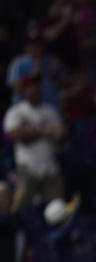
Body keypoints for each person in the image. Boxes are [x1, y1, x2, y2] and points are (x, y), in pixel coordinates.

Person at [3, 74, 65, 210]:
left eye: (37, 86)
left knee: (56, 207)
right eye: (31, 87)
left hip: (50, 166)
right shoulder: (16, 111)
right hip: (27, 167)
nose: (35, 89)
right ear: (24, 90)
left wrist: (58, 133)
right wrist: (44, 130)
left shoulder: (50, 110)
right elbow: (13, 135)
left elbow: (61, 135)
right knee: (23, 207)